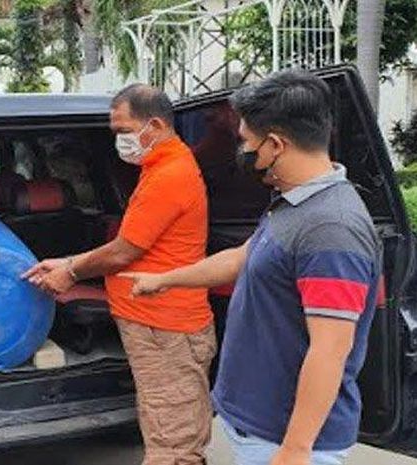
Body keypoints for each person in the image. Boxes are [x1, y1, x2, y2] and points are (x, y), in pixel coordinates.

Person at [121, 70, 381, 465]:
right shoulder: (293, 202)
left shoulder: (331, 229)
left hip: (284, 442)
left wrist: (295, 451)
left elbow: (330, 350)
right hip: (257, 428)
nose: (241, 149)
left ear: (276, 144)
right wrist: (165, 279)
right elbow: (242, 257)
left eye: (245, 141)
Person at [23, 84, 215, 465]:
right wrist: (66, 262)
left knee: (173, 447)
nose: (119, 141)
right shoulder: (158, 167)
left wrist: (72, 272)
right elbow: (132, 244)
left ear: (155, 125)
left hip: (167, 326)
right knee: (164, 424)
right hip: (156, 323)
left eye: (124, 131)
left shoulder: (170, 175)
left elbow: (125, 251)